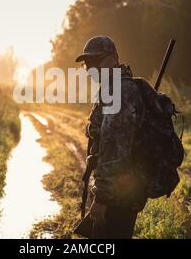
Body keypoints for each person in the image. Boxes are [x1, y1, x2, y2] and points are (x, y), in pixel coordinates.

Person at [75, 35, 148, 239]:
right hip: (118, 190)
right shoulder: (110, 89)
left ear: (114, 59)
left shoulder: (120, 93)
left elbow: (115, 152)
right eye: (87, 64)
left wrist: (102, 199)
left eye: (97, 61)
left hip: (119, 194)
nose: (91, 68)